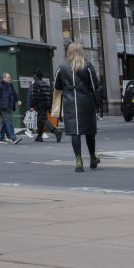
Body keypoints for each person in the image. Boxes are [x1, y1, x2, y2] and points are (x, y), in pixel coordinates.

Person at [54, 42, 101, 172]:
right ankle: (92, 157)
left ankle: (78, 160)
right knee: (89, 132)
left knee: (75, 132)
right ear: (81, 51)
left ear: (68, 52)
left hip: (69, 103)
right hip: (86, 102)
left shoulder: (62, 67)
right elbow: (94, 85)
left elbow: (57, 86)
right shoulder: (88, 65)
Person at [28, 69, 62, 143]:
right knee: (40, 120)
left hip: (39, 104)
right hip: (46, 104)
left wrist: (32, 105)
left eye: (34, 75)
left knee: (43, 119)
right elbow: (49, 95)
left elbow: (34, 96)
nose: (33, 76)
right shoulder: (45, 84)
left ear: (36, 76)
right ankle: (39, 136)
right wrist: (49, 106)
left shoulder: (36, 84)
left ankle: (56, 131)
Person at [0, 73, 22, 144]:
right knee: (9, 121)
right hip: (3, 106)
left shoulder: (10, 85)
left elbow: (14, 93)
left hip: (9, 106)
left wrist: (18, 100)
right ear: (4, 78)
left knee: (4, 122)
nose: (10, 79)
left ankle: (1, 138)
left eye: (10, 77)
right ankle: (13, 138)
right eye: (8, 78)